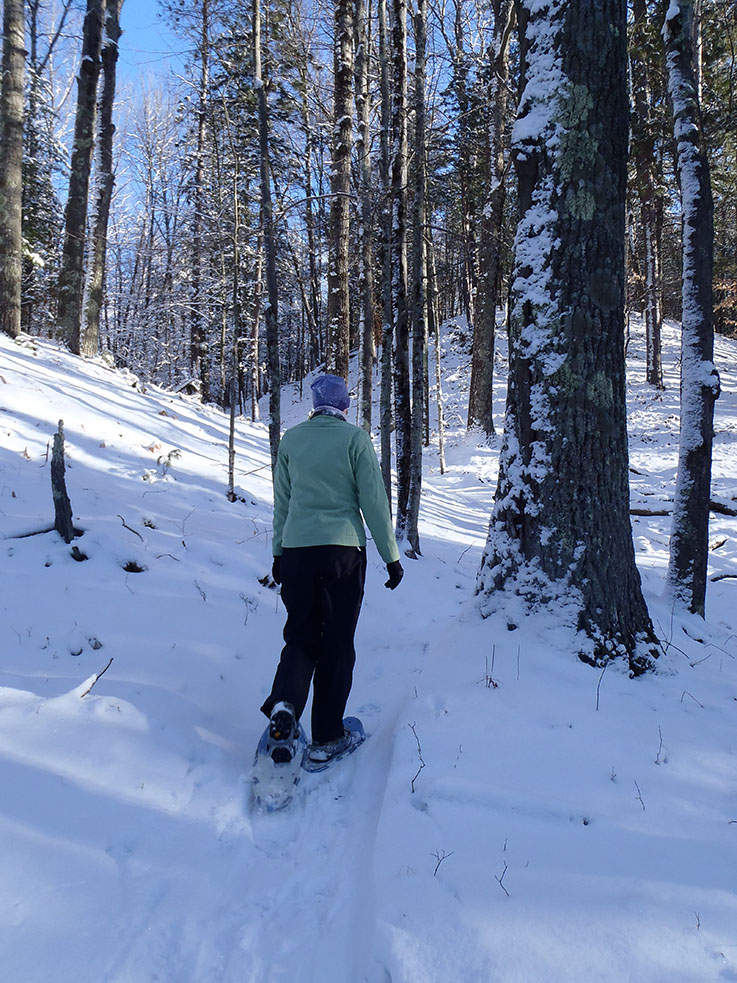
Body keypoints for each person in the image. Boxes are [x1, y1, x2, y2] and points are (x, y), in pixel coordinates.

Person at [261, 374, 403, 765]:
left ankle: (285, 707)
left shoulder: (292, 440)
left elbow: (282, 504)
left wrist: (278, 552)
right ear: (344, 406)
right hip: (343, 552)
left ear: (313, 403)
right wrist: (391, 556)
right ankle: (327, 735)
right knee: (337, 642)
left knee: (302, 637)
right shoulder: (355, 440)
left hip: (297, 552)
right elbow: (373, 501)